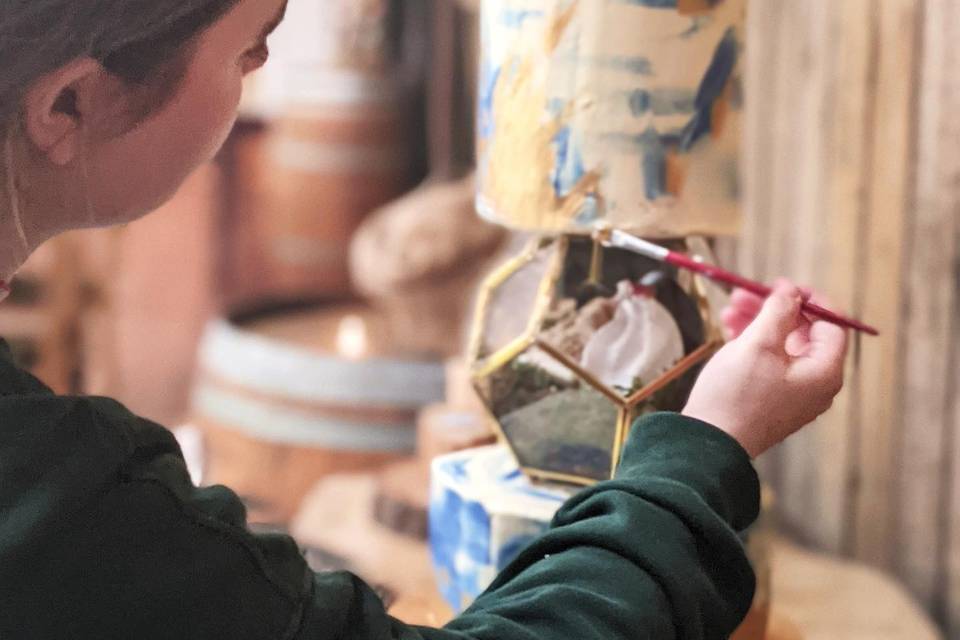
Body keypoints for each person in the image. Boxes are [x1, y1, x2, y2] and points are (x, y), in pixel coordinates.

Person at [0, 1, 848, 638]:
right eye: (250, 42)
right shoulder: (66, 494)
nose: (265, 61)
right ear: (68, 106)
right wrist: (709, 444)